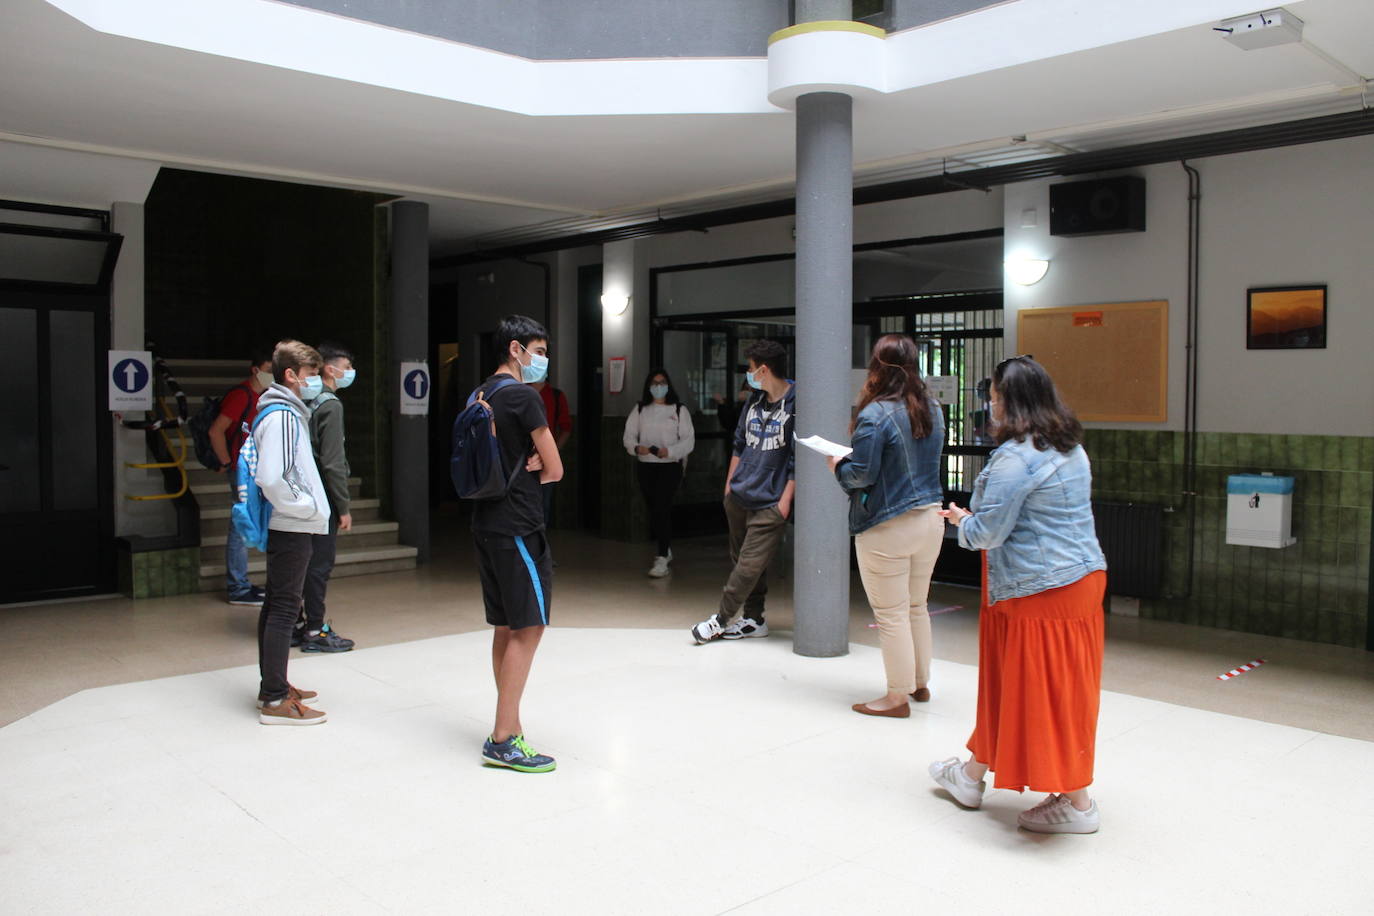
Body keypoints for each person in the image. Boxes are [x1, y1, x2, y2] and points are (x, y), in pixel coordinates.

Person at [928, 355, 1107, 834]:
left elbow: (989, 533)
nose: (990, 405)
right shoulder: (1070, 447)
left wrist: (962, 521)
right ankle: (971, 775)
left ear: (1009, 401)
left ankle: (1079, 803)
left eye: (993, 396)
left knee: (1045, 695)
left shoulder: (1016, 457)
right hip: (1077, 583)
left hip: (1038, 591)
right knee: (1026, 688)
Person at [826, 334, 945, 717]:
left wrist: (837, 466)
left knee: (891, 614)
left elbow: (861, 475)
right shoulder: (933, 407)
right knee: (916, 607)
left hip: (887, 526)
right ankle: (920, 684)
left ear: (878, 367)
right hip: (930, 519)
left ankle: (896, 697)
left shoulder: (875, 414)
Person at [473, 315, 564, 773]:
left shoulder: (479, 394)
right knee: (529, 629)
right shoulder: (524, 397)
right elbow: (555, 469)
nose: (542, 360)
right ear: (516, 349)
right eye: (539, 350)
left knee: (506, 627)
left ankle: (510, 723)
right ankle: (503, 738)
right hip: (519, 525)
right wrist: (538, 465)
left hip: (486, 521)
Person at [691, 340, 795, 645]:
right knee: (745, 565)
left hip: (771, 502)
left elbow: (796, 458)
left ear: (763, 370)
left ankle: (720, 620)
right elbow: (739, 443)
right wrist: (728, 487)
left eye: (750, 369)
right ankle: (754, 619)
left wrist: (785, 502)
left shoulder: (797, 402)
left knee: (748, 566)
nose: (748, 375)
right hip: (739, 496)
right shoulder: (754, 400)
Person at [254, 340, 331, 725]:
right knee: (285, 608)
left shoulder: (281, 413)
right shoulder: (282, 416)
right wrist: (308, 507)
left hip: (288, 523)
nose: (316, 381)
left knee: (277, 606)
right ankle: (274, 700)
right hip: (291, 523)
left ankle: (276, 685)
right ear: (291, 375)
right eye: (312, 374)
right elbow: (273, 476)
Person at [293, 341, 358, 654]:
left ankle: (297, 622)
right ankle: (316, 630)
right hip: (323, 499)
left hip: (305, 495)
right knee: (320, 564)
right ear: (330, 370)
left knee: (306, 563)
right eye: (346, 368)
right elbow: (333, 462)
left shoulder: (310, 402)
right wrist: (342, 507)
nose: (349, 373)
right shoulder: (331, 405)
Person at [209, 350, 274, 606]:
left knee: (246, 524)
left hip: (254, 469)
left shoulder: (263, 396)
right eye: (268, 368)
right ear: (255, 370)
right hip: (242, 469)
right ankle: (238, 588)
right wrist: (229, 463)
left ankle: (242, 584)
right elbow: (217, 431)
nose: (272, 374)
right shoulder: (242, 395)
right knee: (239, 526)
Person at [622, 368, 696, 577]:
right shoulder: (640, 409)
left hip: (670, 466)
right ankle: (666, 547)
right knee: (654, 508)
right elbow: (629, 436)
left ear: (669, 385)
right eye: (654, 383)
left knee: (662, 506)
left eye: (662, 382)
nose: (658, 387)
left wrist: (670, 451)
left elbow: (688, 440)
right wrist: (637, 448)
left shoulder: (679, 410)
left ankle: (662, 556)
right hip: (646, 464)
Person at [528, 374, 571, 526]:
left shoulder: (556, 396)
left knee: (542, 504)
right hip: (522, 458)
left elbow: (566, 428)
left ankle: (538, 540)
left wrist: (552, 452)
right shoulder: (520, 393)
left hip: (545, 459)